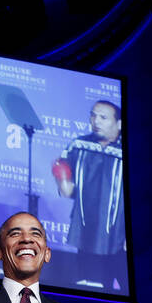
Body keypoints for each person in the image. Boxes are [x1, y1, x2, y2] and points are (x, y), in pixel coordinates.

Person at [53, 100, 125, 290]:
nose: (96, 121)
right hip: (88, 234)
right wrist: (61, 177)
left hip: (121, 238)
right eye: (93, 115)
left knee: (133, 291)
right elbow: (67, 192)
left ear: (119, 123)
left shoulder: (128, 151)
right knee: (93, 290)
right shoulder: (79, 145)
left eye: (103, 117)